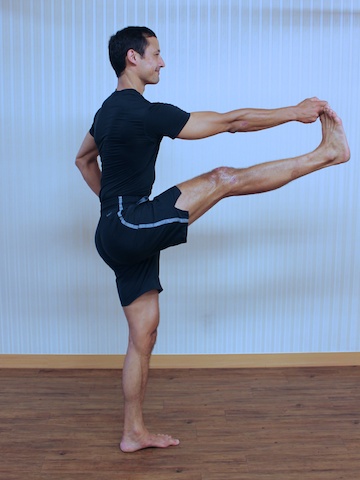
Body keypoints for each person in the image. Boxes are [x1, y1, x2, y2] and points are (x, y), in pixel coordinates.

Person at [75, 26, 350, 453]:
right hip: (129, 225)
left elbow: (83, 158)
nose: (162, 62)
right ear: (133, 58)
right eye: (156, 54)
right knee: (223, 178)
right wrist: (294, 111)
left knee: (142, 335)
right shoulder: (142, 112)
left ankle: (133, 433)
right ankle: (326, 154)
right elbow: (231, 123)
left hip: (114, 230)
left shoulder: (106, 112)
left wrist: (112, 209)